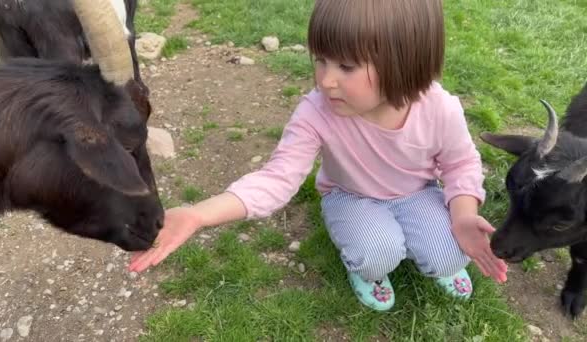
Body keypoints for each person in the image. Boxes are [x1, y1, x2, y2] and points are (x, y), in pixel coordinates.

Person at [128, 0, 508, 311]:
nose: (326, 79)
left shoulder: (439, 108)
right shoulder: (317, 112)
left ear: (404, 62)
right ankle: (367, 271)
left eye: (346, 66)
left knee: (450, 255)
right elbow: (277, 179)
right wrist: (198, 214)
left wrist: (463, 216)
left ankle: (437, 251)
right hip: (351, 195)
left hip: (417, 192)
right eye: (320, 60)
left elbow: (460, 164)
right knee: (378, 253)